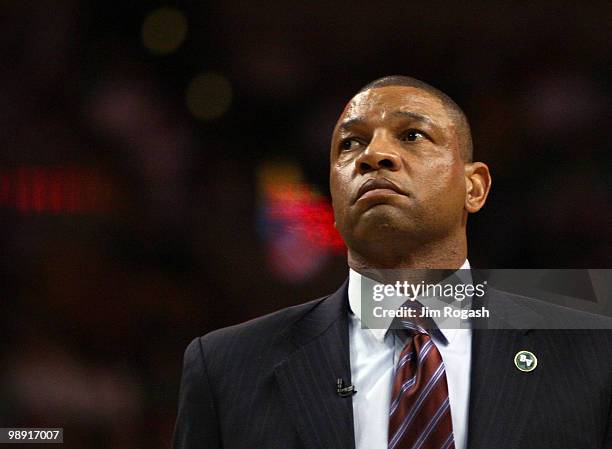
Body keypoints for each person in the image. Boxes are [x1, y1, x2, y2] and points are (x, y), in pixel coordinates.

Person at [172, 76, 612, 449]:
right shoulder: (226, 368)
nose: (372, 155)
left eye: (412, 135)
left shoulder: (593, 353)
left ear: (474, 187)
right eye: (350, 143)